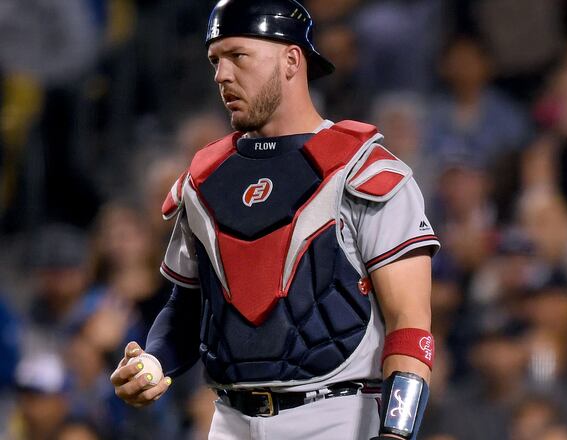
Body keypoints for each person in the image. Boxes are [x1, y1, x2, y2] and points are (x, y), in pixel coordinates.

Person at [109, 1, 439, 439]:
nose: (221, 75)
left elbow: (410, 325)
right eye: (215, 60)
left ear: (291, 59)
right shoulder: (204, 179)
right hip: (229, 419)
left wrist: (397, 433)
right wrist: (153, 359)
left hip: (338, 417)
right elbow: (186, 307)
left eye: (238, 56)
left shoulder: (362, 169)